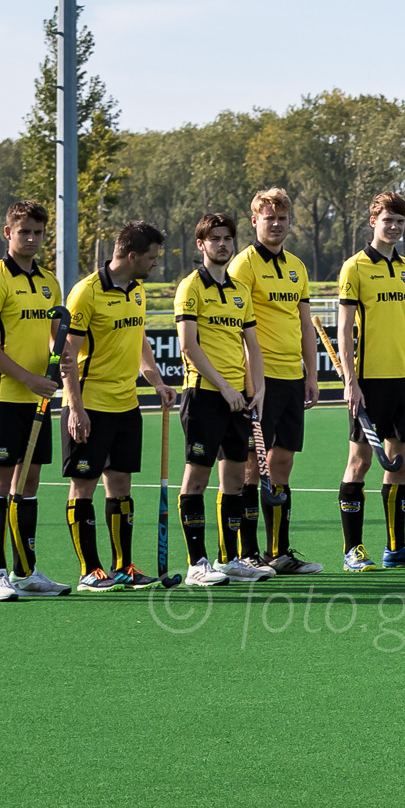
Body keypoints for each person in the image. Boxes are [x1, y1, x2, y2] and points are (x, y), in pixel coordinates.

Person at [58, 221, 176, 591]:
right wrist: (75, 409)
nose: (155, 263)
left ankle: (123, 566)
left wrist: (156, 380)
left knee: (121, 484)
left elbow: (139, 339)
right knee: (84, 486)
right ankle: (89, 570)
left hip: (127, 405)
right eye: (152, 257)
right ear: (132, 256)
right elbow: (67, 357)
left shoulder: (137, 290)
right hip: (90, 405)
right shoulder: (86, 293)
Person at [173, 212, 276, 585]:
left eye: (227, 239)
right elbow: (189, 347)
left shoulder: (239, 290)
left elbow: (252, 345)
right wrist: (226, 387)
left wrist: (257, 389)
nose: (222, 245)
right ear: (201, 244)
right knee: (197, 478)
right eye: (214, 239)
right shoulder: (190, 287)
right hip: (204, 394)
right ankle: (196, 564)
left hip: (238, 400)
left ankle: (229, 559)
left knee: (234, 478)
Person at [0, 201, 71, 602]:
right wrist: (30, 378)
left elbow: (55, 337)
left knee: (29, 482)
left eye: (38, 233)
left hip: (37, 400)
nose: (32, 239)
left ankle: (26, 571)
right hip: (2, 398)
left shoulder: (49, 282)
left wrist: (63, 357)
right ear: (8, 233)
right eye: (24, 232)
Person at [336, 192, 405, 570]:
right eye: (387, 220)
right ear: (373, 221)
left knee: (399, 463)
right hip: (370, 381)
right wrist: (351, 380)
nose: (393, 227)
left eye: (399, 221)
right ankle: (353, 550)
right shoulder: (355, 267)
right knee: (360, 462)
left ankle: (396, 548)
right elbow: (344, 330)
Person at [229, 187, 321, 568]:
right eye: (270, 218)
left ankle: (279, 553)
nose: (277, 224)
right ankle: (247, 554)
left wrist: (311, 374)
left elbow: (305, 324)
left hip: (292, 378)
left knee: (281, 464)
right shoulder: (243, 266)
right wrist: (250, 381)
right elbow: (235, 327)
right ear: (255, 221)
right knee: (252, 466)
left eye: (283, 218)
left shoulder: (297, 267)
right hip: (258, 382)